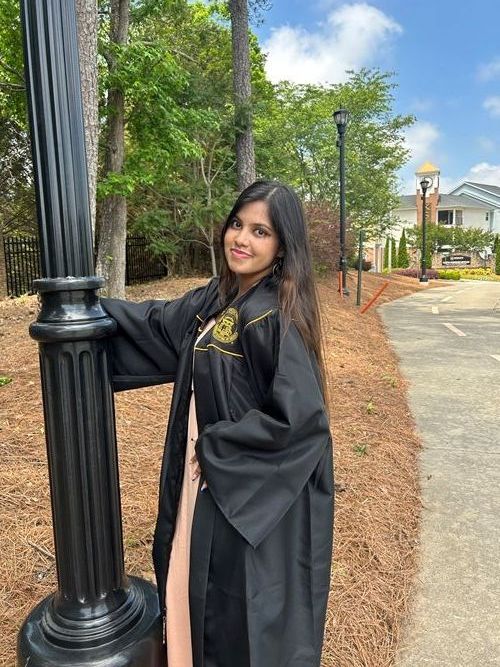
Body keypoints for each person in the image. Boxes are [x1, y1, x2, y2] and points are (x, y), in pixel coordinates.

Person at [101, 180, 334, 667]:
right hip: (202, 483)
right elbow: (158, 324)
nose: (241, 239)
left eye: (260, 231)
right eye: (236, 224)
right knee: (190, 581)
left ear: (282, 246)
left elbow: (301, 421)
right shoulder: (220, 297)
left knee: (238, 609)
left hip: (245, 494)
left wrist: (220, 450)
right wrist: (86, 308)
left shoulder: (272, 316)